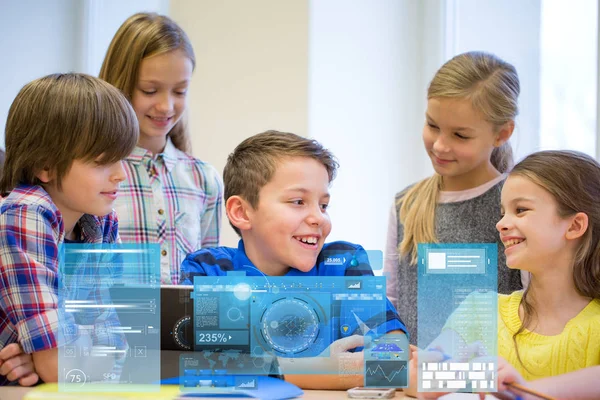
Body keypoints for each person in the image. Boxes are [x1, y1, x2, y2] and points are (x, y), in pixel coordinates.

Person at [181, 130, 408, 390]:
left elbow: (394, 358)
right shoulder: (209, 270)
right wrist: (323, 370)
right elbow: (202, 365)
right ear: (241, 212)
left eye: (323, 205)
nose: (319, 218)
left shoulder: (345, 265)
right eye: (298, 201)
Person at [406, 150, 600, 397]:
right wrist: (432, 374)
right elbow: (416, 380)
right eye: (502, 213)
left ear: (574, 226)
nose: (501, 224)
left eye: (520, 210)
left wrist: (525, 392)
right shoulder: (479, 310)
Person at [0, 73, 139, 385]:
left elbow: (118, 348)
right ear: (45, 165)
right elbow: (57, 367)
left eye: (122, 158)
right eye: (102, 160)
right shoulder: (26, 213)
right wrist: (57, 359)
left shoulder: (101, 220)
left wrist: (51, 358)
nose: (120, 175)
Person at [383, 51, 523, 345]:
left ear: (502, 133)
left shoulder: (518, 204)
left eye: (460, 135)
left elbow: (538, 305)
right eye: (433, 126)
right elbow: (389, 301)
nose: (440, 145)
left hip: (492, 382)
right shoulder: (406, 204)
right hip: (417, 383)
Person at [99, 12, 223, 284]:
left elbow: (207, 283)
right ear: (120, 85)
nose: (167, 106)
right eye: (150, 91)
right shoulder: (93, 175)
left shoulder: (205, 179)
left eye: (179, 92)